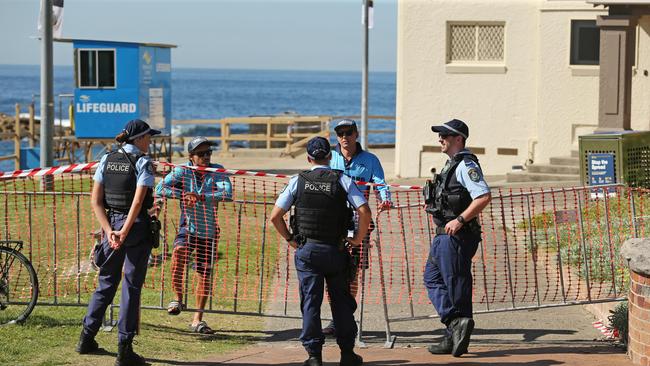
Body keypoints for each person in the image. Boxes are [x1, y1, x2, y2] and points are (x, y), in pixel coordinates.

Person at [269, 136, 370, 366]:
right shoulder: (342, 180)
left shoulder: (297, 181)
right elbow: (364, 212)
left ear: (308, 158)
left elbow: (275, 217)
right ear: (330, 157)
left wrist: (290, 239)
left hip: (308, 250)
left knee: (310, 303)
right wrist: (357, 239)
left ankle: (314, 356)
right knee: (341, 303)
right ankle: (347, 353)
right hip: (336, 250)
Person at [76, 119, 160, 366]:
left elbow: (96, 201)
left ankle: (86, 338)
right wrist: (124, 231)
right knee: (131, 287)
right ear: (140, 139)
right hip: (134, 228)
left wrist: (110, 231)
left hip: (110, 226)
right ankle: (125, 349)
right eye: (148, 137)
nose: (150, 141)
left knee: (106, 282)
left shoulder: (106, 159)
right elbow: (137, 202)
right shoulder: (143, 162)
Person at [423, 119, 491, 357]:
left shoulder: (466, 165)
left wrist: (460, 220)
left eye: (445, 135)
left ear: (459, 138)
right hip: (444, 235)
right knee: (433, 278)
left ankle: (455, 331)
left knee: (456, 285)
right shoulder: (452, 164)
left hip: (456, 235)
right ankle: (454, 329)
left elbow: (482, 196)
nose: (440, 139)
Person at [155, 137, 232, 334]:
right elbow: (159, 188)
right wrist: (183, 194)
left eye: (208, 152)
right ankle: (177, 299)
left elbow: (227, 194)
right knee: (179, 253)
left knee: (204, 274)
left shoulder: (217, 170)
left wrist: (201, 197)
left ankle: (197, 318)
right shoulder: (182, 170)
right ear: (191, 156)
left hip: (208, 230)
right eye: (201, 153)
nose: (206, 156)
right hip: (186, 227)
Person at [323, 119, 392, 336]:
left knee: (352, 274)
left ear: (356, 134)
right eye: (340, 133)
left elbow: (381, 183)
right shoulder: (329, 157)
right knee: (330, 274)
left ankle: (347, 317)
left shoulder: (370, 160)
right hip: (331, 224)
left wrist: (385, 199)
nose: (344, 137)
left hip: (359, 224)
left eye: (348, 132)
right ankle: (336, 317)